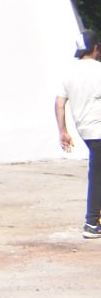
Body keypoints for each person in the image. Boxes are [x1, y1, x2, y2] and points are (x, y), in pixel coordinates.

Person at [55, 29, 101, 238]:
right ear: (95, 49)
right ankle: (91, 222)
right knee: (97, 175)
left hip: (85, 130)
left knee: (97, 172)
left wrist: (63, 131)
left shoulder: (69, 74)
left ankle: (93, 220)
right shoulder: (98, 70)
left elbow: (60, 103)